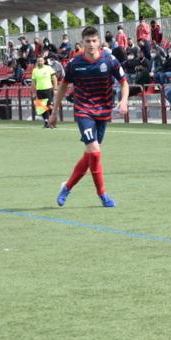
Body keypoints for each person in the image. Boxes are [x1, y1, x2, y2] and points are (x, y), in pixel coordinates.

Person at [50, 26, 128, 208]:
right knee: (95, 151)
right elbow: (63, 87)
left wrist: (123, 101)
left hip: (103, 111)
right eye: (88, 41)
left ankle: (67, 187)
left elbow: (124, 83)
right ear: (82, 42)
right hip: (83, 110)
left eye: (94, 41)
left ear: (99, 42)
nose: (91, 45)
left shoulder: (110, 60)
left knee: (90, 155)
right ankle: (103, 195)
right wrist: (54, 112)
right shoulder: (74, 64)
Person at [32, 55, 58, 127]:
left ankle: (52, 121)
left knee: (50, 106)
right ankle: (46, 121)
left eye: (41, 61)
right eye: (38, 61)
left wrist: (55, 89)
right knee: (41, 107)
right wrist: (34, 93)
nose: (39, 62)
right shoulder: (35, 70)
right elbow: (33, 82)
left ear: (44, 61)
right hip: (39, 91)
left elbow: (54, 78)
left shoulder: (48, 68)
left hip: (48, 90)